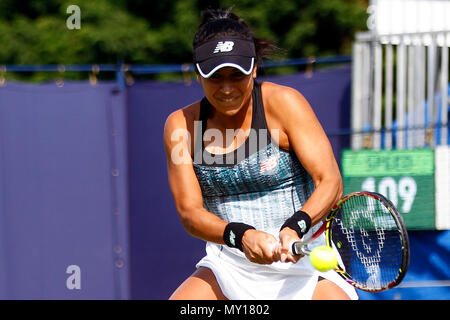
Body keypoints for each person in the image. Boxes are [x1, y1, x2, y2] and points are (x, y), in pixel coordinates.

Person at [163, 8, 358, 300]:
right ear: (198, 74)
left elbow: (330, 181)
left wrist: (295, 226)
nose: (227, 88)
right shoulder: (180, 126)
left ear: (253, 69)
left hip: (307, 260)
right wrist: (241, 236)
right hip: (229, 266)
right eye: (216, 77)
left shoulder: (285, 103)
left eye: (237, 75)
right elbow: (190, 214)